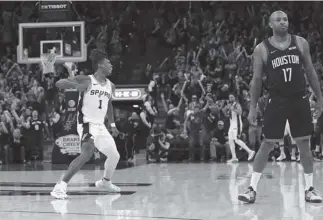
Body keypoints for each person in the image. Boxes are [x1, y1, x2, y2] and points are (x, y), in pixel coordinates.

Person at [238, 11, 323, 204]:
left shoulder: (300, 43)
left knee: (304, 144)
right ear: (270, 24)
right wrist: (252, 107)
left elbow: (310, 71)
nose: (283, 22)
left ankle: (310, 189)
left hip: (299, 98)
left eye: (285, 19)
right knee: (267, 143)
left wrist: (319, 97)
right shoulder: (262, 49)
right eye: (278, 20)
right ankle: (251, 189)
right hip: (276, 100)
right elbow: (257, 80)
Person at [50, 49, 121, 199]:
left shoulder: (111, 86)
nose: (111, 66)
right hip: (87, 123)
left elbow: (109, 106)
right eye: (109, 64)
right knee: (87, 153)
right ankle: (60, 186)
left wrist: (113, 125)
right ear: (101, 65)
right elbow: (59, 83)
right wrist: (73, 85)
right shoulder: (87, 80)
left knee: (114, 156)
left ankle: (105, 182)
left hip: (101, 126)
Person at [226, 94, 255, 163]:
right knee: (230, 140)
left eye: (232, 97)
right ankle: (234, 157)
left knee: (236, 139)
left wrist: (232, 108)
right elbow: (227, 114)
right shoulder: (230, 105)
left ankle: (250, 151)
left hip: (237, 124)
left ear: (234, 98)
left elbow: (240, 112)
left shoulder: (237, 104)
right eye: (229, 97)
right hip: (231, 125)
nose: (230, 98)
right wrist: (226, 108)